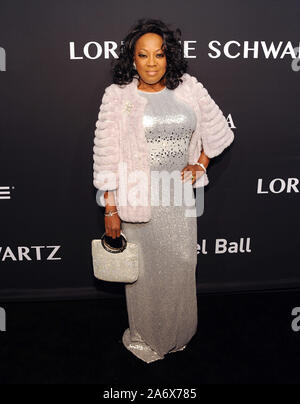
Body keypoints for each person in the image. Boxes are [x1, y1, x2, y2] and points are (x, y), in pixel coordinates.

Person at [93, 18, 235, 363]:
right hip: (138, 196)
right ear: (133, 59)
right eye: (144, 55)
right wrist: (110, 209)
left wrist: (200, 163)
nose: (152, 63)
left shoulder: (189, 88)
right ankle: (146, 336)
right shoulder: (117, 96)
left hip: (179, 197)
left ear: (169, 57)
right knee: (144, 275)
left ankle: (178, 333)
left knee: (183, 265)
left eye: (159, 54)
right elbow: (107, 156)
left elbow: (217, 131)